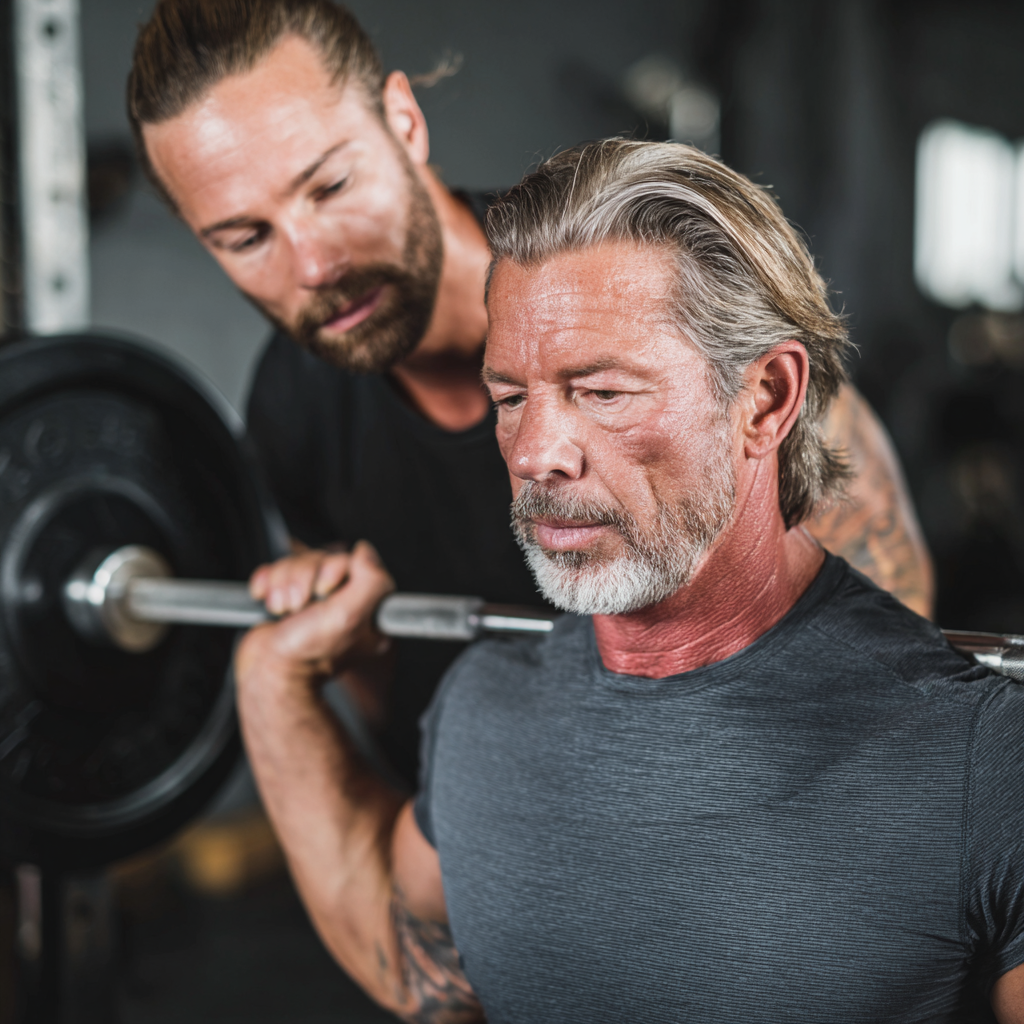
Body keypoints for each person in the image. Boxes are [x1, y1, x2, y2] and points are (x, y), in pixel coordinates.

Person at [233, 140, 1024, 1022]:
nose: (534, 454)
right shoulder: (482, 706)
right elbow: (409, 950)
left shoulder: (982, 756)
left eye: (602, 392)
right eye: (510, 398)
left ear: (766, 398)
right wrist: (272, 682)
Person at [128, 0, 934, 789]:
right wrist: (343, 636)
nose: (312, 266)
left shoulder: (616, 286)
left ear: (403, 122)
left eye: (331, 186)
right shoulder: (292, 407)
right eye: (247, 237)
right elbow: (396, 719)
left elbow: (881, 617)